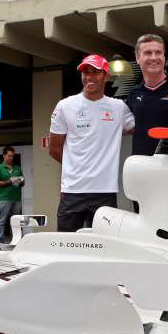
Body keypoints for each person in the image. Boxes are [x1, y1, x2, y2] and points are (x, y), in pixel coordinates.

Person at [49, 54, 135, 232]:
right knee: (66, 244)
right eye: (85, 72)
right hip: (72, 191)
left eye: (95, 72)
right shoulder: (65, 105)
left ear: (106, 76)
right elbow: (54, 149)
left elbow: (137, 130)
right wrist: (75, 168)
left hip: (105, 192)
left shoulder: (118, 107)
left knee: (104, 246)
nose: (89, 77)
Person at [126, 34, 168, 157]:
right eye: (148, 53)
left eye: (158, 52)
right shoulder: (133, 93)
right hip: (141, 163)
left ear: (164, 56)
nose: (154, 57)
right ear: (138, 57)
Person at [0, 145, 24, 242]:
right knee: (1, 221)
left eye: (12, 156)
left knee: (16, 221)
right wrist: (8, 182)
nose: (11, 158)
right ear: (4, 156)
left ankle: (16, 240)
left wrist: (20, 181)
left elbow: (22, 183)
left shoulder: (17, 167)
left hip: (16, 198)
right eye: (9, 156)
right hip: (4, 198)